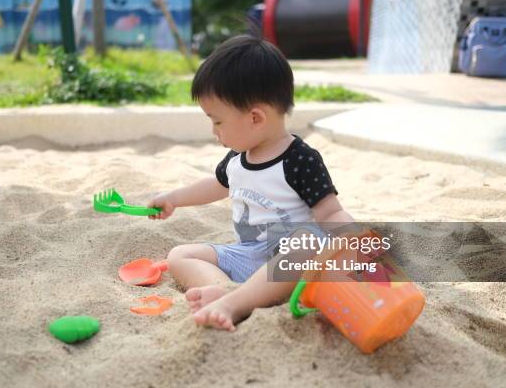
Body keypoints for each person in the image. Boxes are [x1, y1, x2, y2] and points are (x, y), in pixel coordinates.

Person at [147, 34, 354, 331]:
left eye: (217, 121)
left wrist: (352, 238)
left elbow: (330, 212)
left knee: (306, 242)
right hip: (250, 255)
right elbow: (217, 185)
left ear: (255, 118)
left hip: (291, 260)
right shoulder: (237, 158)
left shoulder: (300, 159)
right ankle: (224, 289)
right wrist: (174, 198)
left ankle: (236, 302)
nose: (213, 130)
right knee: (180, 256)